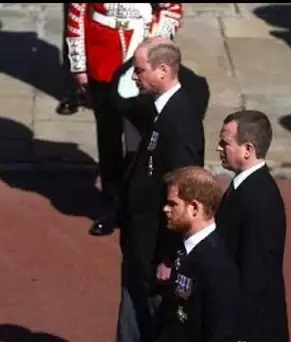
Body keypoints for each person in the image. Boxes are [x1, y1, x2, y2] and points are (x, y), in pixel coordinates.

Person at [63, 3, 184, 236]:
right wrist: (79, 67)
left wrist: (152, 46)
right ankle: (112, 206)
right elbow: (77, 14)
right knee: (108, 141)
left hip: (139, 60)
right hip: (101, 59)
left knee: (140, 142)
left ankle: (139, 204)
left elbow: (172, 9)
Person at [115, 37, 205, 342]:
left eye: (140, 70)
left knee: (153, 323)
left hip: (156, 250)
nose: (134, 77)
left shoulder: (180, 122)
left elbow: (184, 192)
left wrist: (168, 257)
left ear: (163, 70)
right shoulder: (160, 111)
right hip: (141, 243)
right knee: (134, 313)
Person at [215, 110, 289, 342]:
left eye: (225, 143)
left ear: (248, 150)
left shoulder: (259, 198)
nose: (218, 148)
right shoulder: (245, 188)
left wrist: (241, 334)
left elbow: (256, 274)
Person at [155, 166, 239, 342]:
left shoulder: (216, 264)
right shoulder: (184, 249)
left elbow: (220, 332)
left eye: (173, 204)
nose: (165, 209)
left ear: (194, 208)